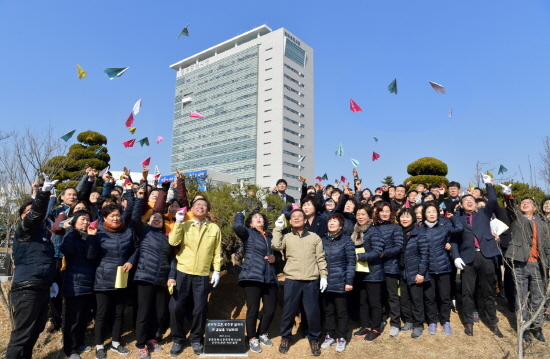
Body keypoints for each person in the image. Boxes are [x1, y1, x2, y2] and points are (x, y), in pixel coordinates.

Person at [6, 178, 58, 359]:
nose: (33, 214)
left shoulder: (43, 236)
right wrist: (43, 193)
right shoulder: (24, 231)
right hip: (27, 289)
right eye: (28, 211)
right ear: (22, 216)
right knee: (21, 336)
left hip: (42, 288)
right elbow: (36, 214)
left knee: (34, 332)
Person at [168, 197, 222, 356]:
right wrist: (177, 223)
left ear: (208, 210)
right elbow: (173, 242)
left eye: (204, 205)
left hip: (202, 274)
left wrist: (217, 270)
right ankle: (178, 339)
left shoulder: (214, 229)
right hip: (183, 271)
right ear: (191, 208)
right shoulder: (184, 224)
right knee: (175, 307)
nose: (201, 207)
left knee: (199, 309)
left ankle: (196, 338)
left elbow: (217, 252)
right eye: (198, 205)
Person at [450, 175, 503, 337]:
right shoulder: (457, 219)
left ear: (476, 202)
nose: (469, 201)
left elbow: (493, 200)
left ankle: (493, 321)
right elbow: (453, 241)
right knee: (467, 292)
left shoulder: (483, 214)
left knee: (488, 291)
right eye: (465, 200)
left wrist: (488, 184)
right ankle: (468, 322)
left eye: (471, 199)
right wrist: (456, 256)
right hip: (467, 258)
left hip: (485, 256)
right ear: (461, 205)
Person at [272, 209, 327, 356]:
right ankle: (286, 337)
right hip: (292, 279)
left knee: (313, 312)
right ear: (290, 221)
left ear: (304, 220)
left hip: (311, 280)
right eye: (293, 217)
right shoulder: (287, 237)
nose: (296, 218)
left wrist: (323, 276)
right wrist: (277, 228)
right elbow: (276, 245)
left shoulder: (314, 237)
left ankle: (314, 338)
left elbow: (320, 258)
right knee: (288, 311)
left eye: (299, 217)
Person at [93, 190, 138, 359]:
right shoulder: (97, 231)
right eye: (111, 215)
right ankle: (99, 346)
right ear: (104, 217)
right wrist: (90, 239)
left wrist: (131, 261)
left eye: (117, 215)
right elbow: (91, 255)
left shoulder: (127, 231)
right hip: (103, 278)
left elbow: (136, 249)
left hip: (122, 277)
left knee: (119, 313)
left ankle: (116, 343)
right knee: (102, 314)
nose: (115, 218)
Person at [132, 189, 176, 359]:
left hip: (161, 279)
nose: (157, 219)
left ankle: (152, 338)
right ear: (148, 221)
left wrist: (171, 276)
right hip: (144, 277)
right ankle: (141, 344)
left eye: (159, 218)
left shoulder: (167, 239)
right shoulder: (143, 232)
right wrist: (139, 199)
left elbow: (172, 259)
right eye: (153, 218)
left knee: (158, 312)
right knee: (143, 312)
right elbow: (135, 218)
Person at [503, 186, 550, 343]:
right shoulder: (518, 218)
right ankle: (523, 328)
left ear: (535, 208)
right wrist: (509, 195)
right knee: (521, 298)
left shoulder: (542, 223)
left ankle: (537, 327)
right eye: (523, 202)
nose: (525, 204)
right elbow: (511, 207)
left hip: (538, 265)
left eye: (529, 202)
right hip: (520, 264)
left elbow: (547, 246)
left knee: (538, 298)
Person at [233, 211, 278, 353]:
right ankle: (252, 338)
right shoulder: (247, 233)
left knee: (270, 309)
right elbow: (238, 228)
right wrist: (240, 214)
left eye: (260, 217)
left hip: (269, 277)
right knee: (253, 309)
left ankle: (262, 333)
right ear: (251, 223)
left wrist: (275, 259)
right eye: (255, 218)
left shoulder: (270, 237)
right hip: (252, 275)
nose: (258, 219)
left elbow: (278, 255)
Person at [60, 210, 98, 359]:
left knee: (83, 317)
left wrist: (92, 238)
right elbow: (66, 250)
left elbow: (91, 255)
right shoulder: (71, 235)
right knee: (72, 319)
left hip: (89, 282)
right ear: (75, 222)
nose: (86, 222)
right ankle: (70, 349)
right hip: (74, 282)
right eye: (83, 219)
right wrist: (69, 230)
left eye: (88, 219)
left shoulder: (90, 237)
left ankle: (79, 342)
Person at [420, 202, 463, 336]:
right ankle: (432, 321)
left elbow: (459, 228)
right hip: (428, 269)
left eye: (434, 211)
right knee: (430, 297)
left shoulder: (444, 227)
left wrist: (452, 217)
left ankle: (446, 321)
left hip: (444, 267)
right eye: (428, 212)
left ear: (438, 212)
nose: (431, 214)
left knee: (445, 297)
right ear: (424, 215)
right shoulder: (420, 229)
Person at [320, 213, 355, 353]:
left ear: (341, 226)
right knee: (328, 311)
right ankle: (329, 335)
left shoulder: (346, 241)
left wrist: (349, 281)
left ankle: (342, 337)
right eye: (330, 221)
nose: (332, 223)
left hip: (340, 281)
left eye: (335, 221)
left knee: (341, 311)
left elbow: (351, 262)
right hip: (326, 282)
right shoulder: (322, 240)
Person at [351, 203, 385, 341]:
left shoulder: (374, 231)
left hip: (373, 272)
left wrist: (359, 257)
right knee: (362, 301)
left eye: (363, 214)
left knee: (374, 302)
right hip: (360, 272)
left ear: (370, 216)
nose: (360, 217)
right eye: (358, 214)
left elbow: (377, 251)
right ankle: (366, 325)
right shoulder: (355, 230)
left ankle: (376, 327)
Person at [397, 207, 430, 339]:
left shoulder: (419, 232)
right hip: (401, 270)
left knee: (417, 299)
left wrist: (421, 272)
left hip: (415, 270)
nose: (404, 219)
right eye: (402, 217)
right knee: (404, 299)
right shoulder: (398, 232)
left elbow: (424, 254)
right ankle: (409, 320)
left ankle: (418, 324)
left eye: (407, 217)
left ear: (413, 218)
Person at [372, 201, 403, 338]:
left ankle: (395, 323)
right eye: (381, 211)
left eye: (387, 211)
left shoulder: (395, 227)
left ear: (391, 212)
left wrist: (384, 253)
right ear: (377, 212)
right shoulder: (374, 227)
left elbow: (398, 246)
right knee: (379, 296)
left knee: (392, 296)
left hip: (391, 265)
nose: (384, 213)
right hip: (376, 266)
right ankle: (381, 319)